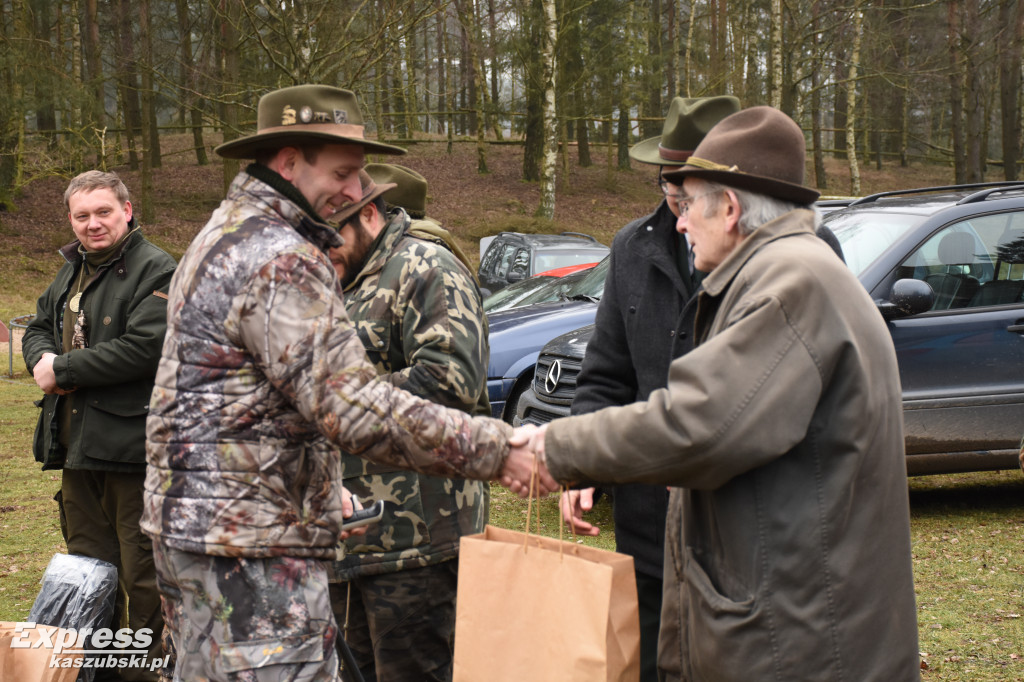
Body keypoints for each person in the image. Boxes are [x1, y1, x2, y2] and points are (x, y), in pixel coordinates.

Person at [140, 84, 552, 682]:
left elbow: (240, 404)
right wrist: (501, 449)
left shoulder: (222, 235)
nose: (356, 192)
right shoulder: (283, 256)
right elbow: (350, 406)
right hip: (254, 549)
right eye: (344, 172)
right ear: (287, 160)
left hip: (208, 536)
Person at [525, 107, 921, 681]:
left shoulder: (789, 285)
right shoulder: (784, 271)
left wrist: (551, 449)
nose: (679, 222)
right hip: (779, 610)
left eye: (689, 206)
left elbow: (698, 428)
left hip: (798, 638)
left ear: (730, 209)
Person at [559, 95, 739, 682]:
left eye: (687, 189)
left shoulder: (784, 261)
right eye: (667, 185)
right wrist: (579, 463)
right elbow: (605, 375)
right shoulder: (631, 248)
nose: (675, 205)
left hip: (736, 527)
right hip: (647, 524)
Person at [326, 165, 489, 682]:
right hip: (345, 537)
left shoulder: (425, 268)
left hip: (417, 540)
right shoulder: (339, 278)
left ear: (368, 213)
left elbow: (450, 381)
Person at [23, 170, 175, 682]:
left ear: (127, 211)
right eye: (82, 215)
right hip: (76, 448)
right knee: (89, 574)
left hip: (133, 453)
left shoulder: (158, 269)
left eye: (103, 212)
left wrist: (62, 371)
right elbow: (39, 324)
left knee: (143, 577)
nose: (93, 224)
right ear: (71, 219)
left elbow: (146, 347)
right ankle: (95, 674)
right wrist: (43, 358)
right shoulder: (71, 270)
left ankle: (147, 675)